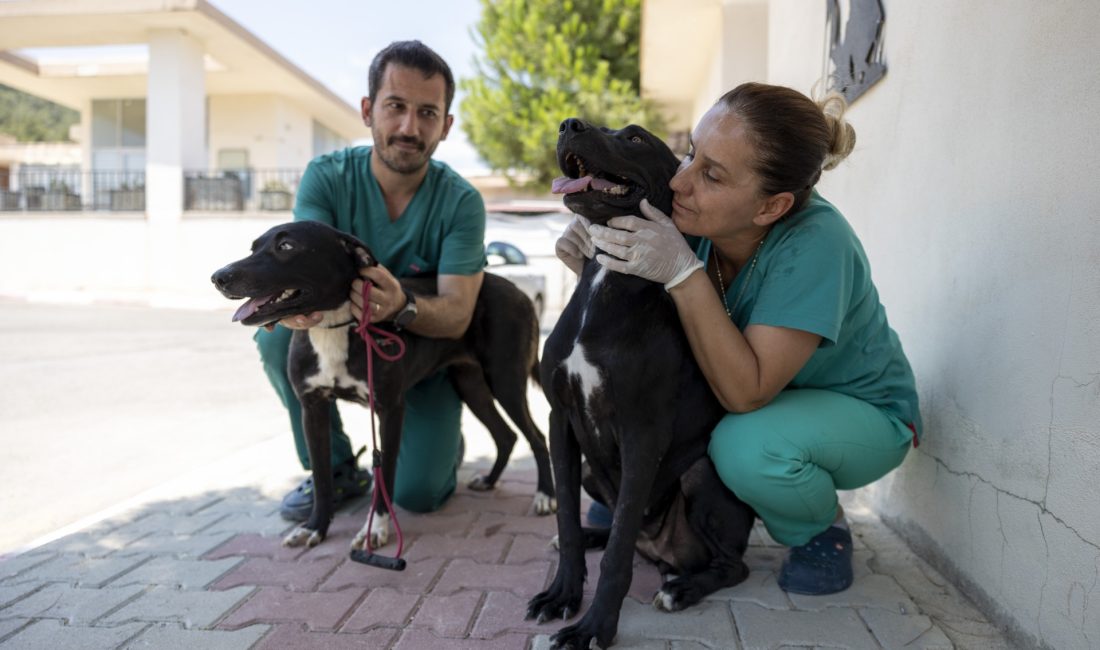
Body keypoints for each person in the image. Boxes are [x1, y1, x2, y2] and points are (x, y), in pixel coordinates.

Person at [555, 82, 920, 595]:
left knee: (746, 447)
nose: (681, 181)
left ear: (771, 208)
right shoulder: (698, 217)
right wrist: (595, 264)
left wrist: (683, 275)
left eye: (712, 174)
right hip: (766, 396)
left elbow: (746, 392)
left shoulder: (818, 243)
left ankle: (820, 528)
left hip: (862, 413)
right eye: (690, 154)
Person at [255, 40, 486, 522]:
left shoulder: (461, 202)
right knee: (276, 338)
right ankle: (336, 468)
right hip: (342, 344)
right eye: (395, 107)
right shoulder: (326, 177)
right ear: (367, 110)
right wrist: (295, 307)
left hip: (419, 363)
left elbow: (458, 313)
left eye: (427, 113)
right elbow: (298, 272)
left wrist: (403, 303)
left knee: (419, 493)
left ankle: (440, 444)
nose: (408, 127)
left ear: (446, 125)